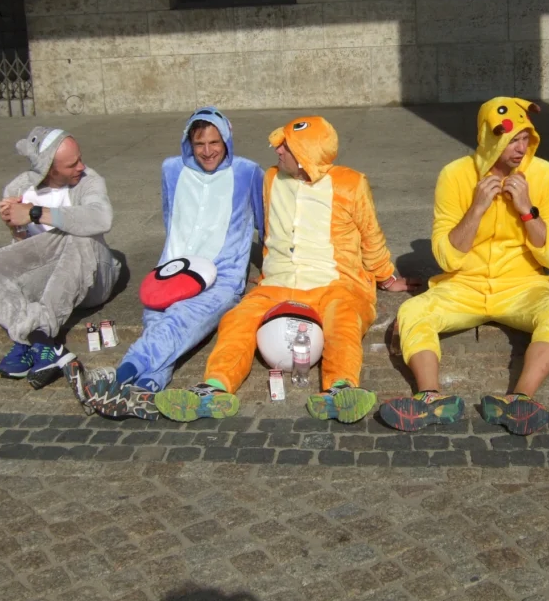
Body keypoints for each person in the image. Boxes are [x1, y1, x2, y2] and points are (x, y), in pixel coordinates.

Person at [154, 115, 416, 424]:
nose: (277, 151)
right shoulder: (271, 179)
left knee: (343, 321)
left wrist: (386, 277)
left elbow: (371, 236)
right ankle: (214, 388)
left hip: (334, 283)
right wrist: (267, 269)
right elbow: (267, 230)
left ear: (308, 154)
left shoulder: (351, 183)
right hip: (277, 283)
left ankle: (340, 389)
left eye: (286, 147)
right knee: (237, 319)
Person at [379, 97, 549, 435]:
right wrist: (477, 208)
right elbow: (446, 257)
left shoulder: (545, 174)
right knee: (413, 313)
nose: (520, 148)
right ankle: (430, 398)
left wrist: (528, 210)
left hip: (522, 287)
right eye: (511, 139)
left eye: (525, 138)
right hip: (463, 286)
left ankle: (520, 399)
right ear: (488, 138)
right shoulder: (455, 175)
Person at [63, 107, 265, 420]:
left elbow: (266, 226)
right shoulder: (172, 169)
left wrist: (269, 270)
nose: (208, 151)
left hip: (221, 276)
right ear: (188, 143)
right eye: (199, 144)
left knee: (179, 320)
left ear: (226, 140)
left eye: (215, 142)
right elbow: (170, 215)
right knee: (158, 322)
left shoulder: (247, 171)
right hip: (170, 272)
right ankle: (147, 389)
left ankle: (118, 376)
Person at [0, 127, 121, 390]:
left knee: (80, 235)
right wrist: (16, 230)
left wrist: (36, 213)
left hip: (94, 275)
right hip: (50, 277)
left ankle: (37, 335)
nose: (81, 167)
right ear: (50, 167)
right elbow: (26, 253)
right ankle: (40, 342)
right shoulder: (18, 188)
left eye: (80, 158)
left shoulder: (89, 181)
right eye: (72, 164)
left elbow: (101, 219)